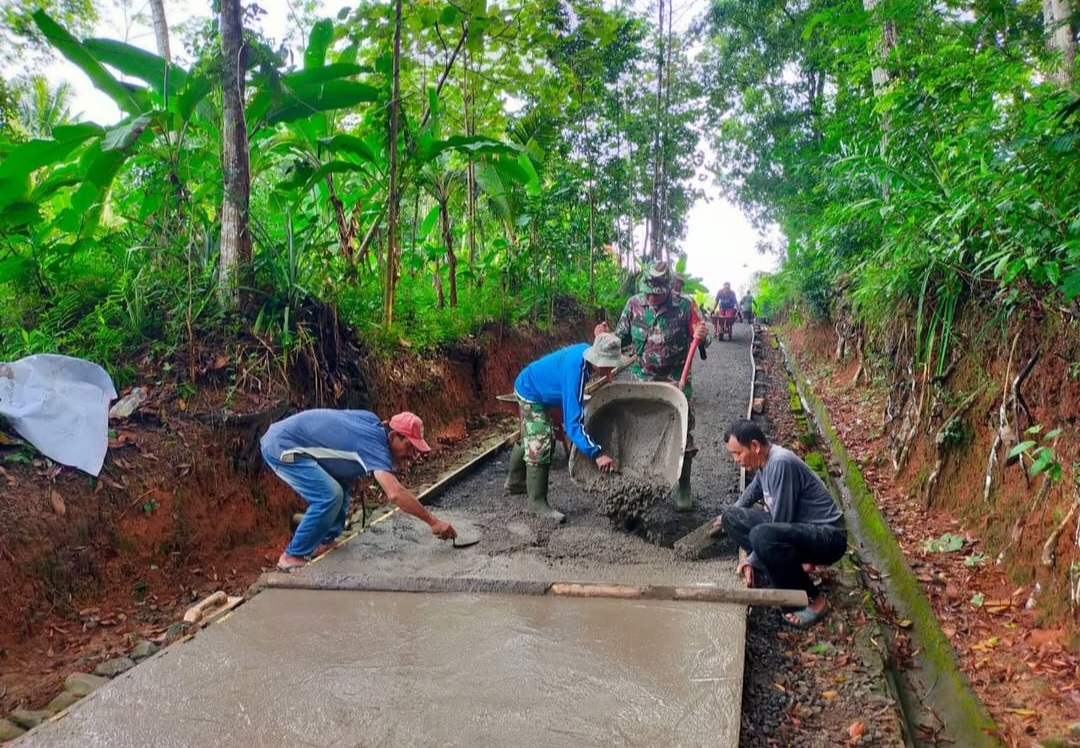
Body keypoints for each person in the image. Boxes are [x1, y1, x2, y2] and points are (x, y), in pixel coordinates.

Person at [261, 410, 457, 573]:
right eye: (409, 446)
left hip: (294, 441)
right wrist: (433, 522)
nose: (412, 454)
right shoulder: (376, 447)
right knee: (329, 495)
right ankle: (291, 556)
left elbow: (343, 438)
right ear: (393, 436)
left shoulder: (372, 422)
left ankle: (324, 542)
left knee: (343, 484)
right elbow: (395, 493)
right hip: (283, 447)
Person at [596, 261, 710, 511]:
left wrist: (702, 336)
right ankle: (641, 478)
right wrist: (604, 337)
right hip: (642, 377)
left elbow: (702, 339)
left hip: (675, 379)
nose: (651, 297)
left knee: (682, 430)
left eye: (656, 294)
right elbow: (620, 338)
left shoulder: (684, 306)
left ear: (668, 289)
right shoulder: (634, 304)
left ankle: (683, 486)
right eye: (647, 291)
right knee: (640, 428)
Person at [714, 420, 847, 628]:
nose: (736, 460)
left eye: (738, 453)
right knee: (731, 517)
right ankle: (785, 567)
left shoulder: (780, 463)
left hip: (827, 537)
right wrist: (726, 517)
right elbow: (752, 491)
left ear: (755, 446)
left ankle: (815, 600)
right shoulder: (764, 462)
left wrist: (751, 559)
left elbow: (781, 522)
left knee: (762, 537)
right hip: (798, 530)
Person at [505, 333, 627, 522]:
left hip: (539, 386)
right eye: (607, 369)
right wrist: (596, 453)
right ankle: (536, 503)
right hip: (530, 391)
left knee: (531, 432)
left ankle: (516, 482)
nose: (609, 376)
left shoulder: (585, 353)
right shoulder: (575, 372)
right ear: (596, 360)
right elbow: (572, 425)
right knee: (542, 439)